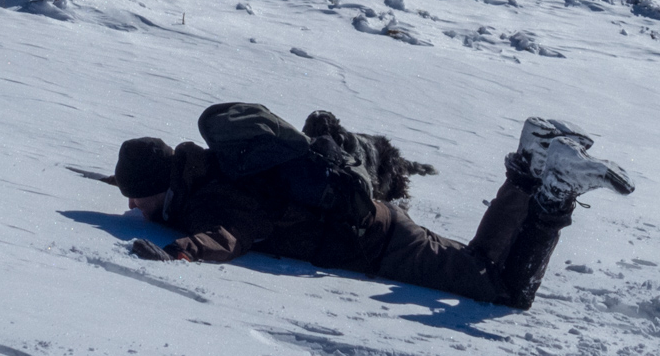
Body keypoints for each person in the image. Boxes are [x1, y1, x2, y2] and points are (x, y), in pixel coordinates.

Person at [104, 106, 632, 310]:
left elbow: (235, 231)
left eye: (135, 195)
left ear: (159, 185)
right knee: (480, 263)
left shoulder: (210, 197)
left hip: (375, 245)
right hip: (375, 223)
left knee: (507, 290)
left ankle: (554, 188)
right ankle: (532, 159)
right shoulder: (211, 166)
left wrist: (181, 252)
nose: (131, 204)